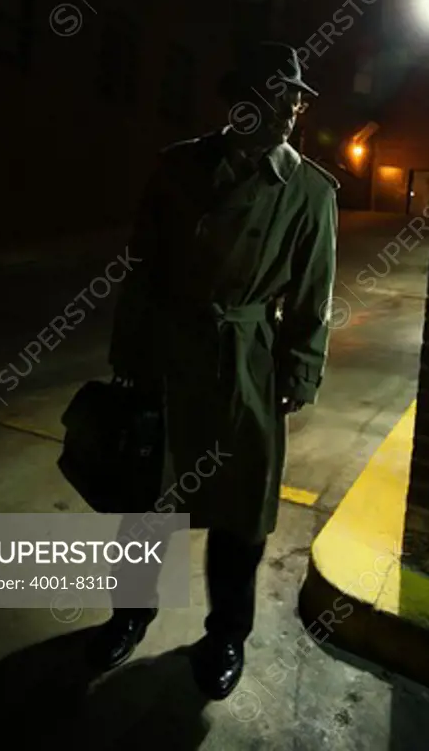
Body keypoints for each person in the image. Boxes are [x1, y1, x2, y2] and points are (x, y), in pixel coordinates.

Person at [88, 40, 339, 700]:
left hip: (246, 362)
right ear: (241, 104)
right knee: (146, 500)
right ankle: (128, 615)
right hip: (169, 354)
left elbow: (312, 300)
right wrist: (129, 356)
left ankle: (226, 635)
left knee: (240, 512)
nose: (293, 104)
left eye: (295, 95)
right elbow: (140, 272)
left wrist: (295, 378)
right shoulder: (177, 169)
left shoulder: (308, 192)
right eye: (277, 93)